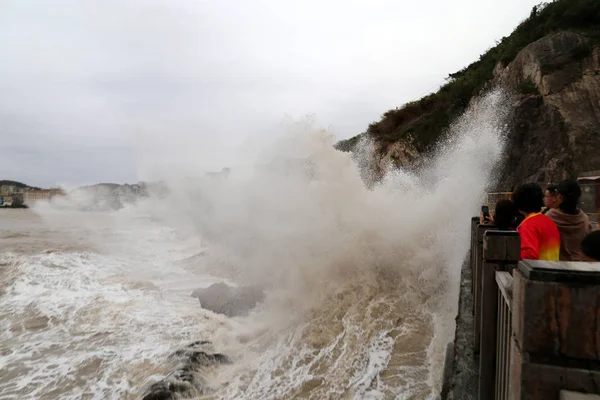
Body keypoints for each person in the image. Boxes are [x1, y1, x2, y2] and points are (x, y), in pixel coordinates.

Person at [546, 180, 592, 261]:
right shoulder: (584, 219)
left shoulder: (549, 217)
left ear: (560, 197)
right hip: (579, 266)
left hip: (555, 266)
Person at [512, 183, 560, 261]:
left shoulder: (528, 225)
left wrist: (511, 252)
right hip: (552, 268)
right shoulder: (549, 222)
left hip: (539, 271)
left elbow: (530, 255)